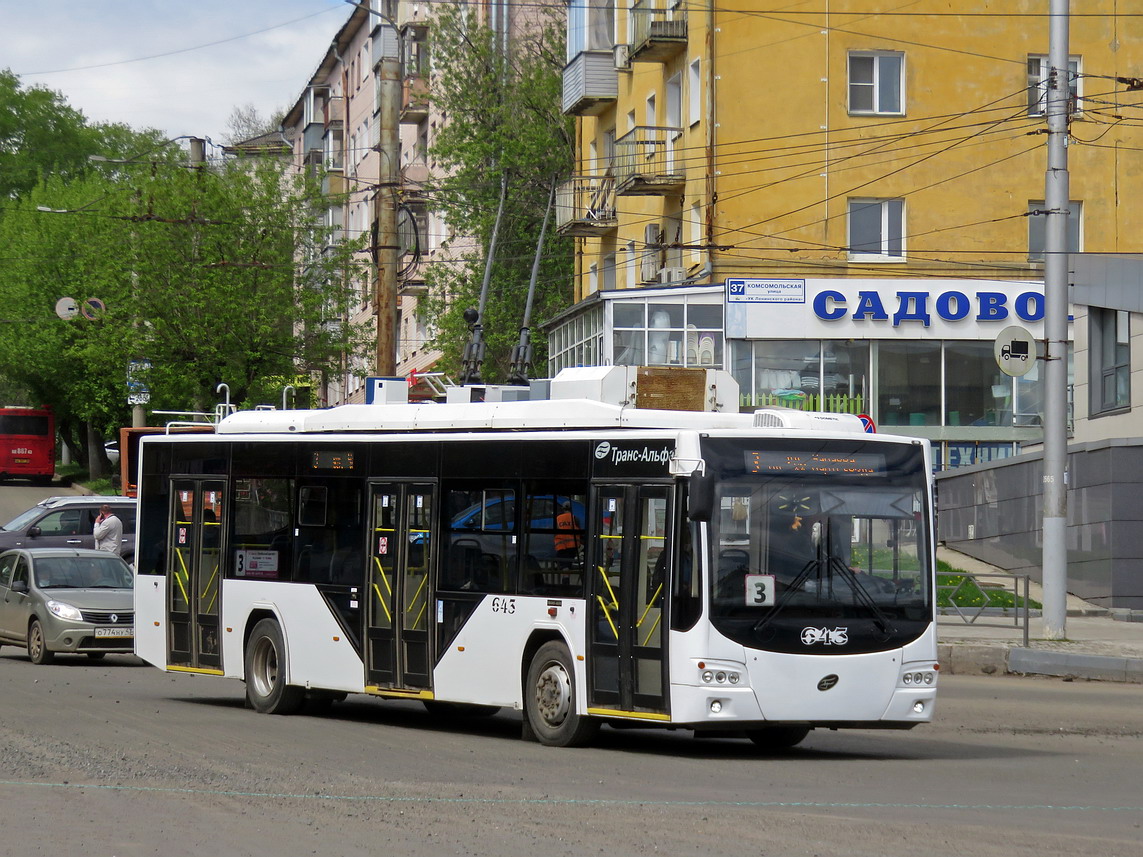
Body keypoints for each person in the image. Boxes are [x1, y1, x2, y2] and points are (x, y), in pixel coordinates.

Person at [553, 501, 582, 567]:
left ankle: (565, 576)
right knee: (568, 564)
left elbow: (555, 532)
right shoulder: (575, 518)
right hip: (573, 546)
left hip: (561, 546)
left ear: (563, 509)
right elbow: (579, 531)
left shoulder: (558, 519)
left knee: (563, 564)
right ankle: (566, 576)